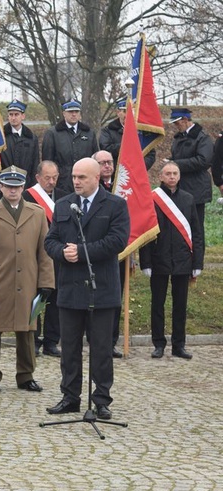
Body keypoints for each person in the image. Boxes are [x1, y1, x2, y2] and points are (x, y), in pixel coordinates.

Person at [44, 158, 129, 420]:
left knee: (101, 348)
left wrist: (81, 252)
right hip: (70, 289)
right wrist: (62, 252)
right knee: (69, 348)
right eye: (74, 177)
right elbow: (51, 241)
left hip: (101, 289)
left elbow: (116, 241)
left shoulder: (115, 205)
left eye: (82, 177)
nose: (76, 181)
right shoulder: (63, 204)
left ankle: (101, 399)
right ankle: (70, 396)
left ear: (96, 178)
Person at [0, 167, 54, 393]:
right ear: (0, 187)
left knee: (27, 330)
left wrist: (46, 283)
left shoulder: (37, 213)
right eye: (8, 186)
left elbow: (44, 252)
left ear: (23, 187)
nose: (13, 190)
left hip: (28, 281)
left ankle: (26, 374)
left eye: (17, 186)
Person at [140, 162, 203, 360]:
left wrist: (197, 263)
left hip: (183, 260)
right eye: (168, 173)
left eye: (175, 173)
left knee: (180, 306)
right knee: (157, 304)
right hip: (159, 260)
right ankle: (158, 344)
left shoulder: (188, 199)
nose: (172, 177)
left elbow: (197, 233)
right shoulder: (152, 199)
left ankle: (179, 345)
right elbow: (146, 232)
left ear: (179, 176)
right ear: (161, 176)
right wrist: (146, 262)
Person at [23, 161, 68, 357]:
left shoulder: (65, 197)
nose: (51, 181)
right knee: (37, 297)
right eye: (47, 178)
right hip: (34, 254)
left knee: (55, 298)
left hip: (57, 255)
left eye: (55, 177)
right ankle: (34, 338)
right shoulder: (27, 197)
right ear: (38, 177)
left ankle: (51, 340)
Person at [93, 150, 128, 358]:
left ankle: (111, 341)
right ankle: (93, 338)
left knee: (115, 298)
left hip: (117, 251)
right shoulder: (88, 188)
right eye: (102, 162)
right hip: (93, 251)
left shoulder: (122, 188)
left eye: (110, 162)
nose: (107, 166)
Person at [167, 108, 213, 263]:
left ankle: (197, 261)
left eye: (177, 122)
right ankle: (183, 257)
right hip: (181, 188)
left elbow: (203, 161)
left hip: (197, 190)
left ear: (186, 120)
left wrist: (176, 164)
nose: (175, 126)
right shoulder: (179, 138)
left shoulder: (202, 138)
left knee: (196, 227)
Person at [41, 99, 99, 192]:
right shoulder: (53, 133)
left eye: (76, 111)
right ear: (64, 113)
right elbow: (48, 161)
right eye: (70, 112)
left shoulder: (89, 133)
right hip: (62, 183)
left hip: (85, 181)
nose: (74, 114)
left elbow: (95, 159)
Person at [100, 98, 156, 169]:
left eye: (132, 112)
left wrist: (140, 166)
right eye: (125, 111)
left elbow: (150, 153)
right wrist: (126, 145)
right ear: (118, 112)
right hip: (116, 172)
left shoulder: (142, 132)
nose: (128, 115)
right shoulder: (108, 131)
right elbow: (106, 149)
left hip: (138, 172)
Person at [1, 100, 40, 187]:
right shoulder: (1, 136)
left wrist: (33, 186)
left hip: (25, 184)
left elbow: (35, 164)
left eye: (16, 114)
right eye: (11, 114)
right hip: (5, 183)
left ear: (23, 116)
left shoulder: (31, 138)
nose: (13, 118)